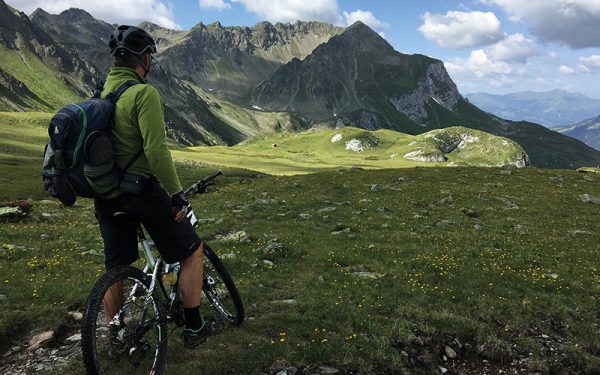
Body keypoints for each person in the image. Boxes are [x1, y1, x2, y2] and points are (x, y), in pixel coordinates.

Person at [94, 24, 222, 349]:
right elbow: (156, 151)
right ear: (143, 58)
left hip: (106, 196)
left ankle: (119, 337)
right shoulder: (143, 93)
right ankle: (194, 327)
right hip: (141, 193)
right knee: (192, 251)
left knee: (118, 267)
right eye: (149, 55)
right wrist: (177, 195)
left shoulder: (101, 95)